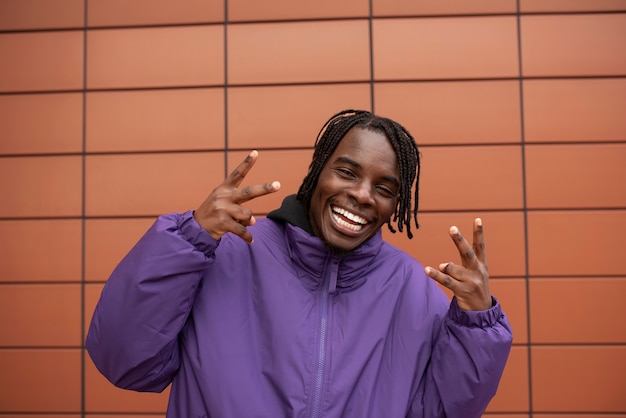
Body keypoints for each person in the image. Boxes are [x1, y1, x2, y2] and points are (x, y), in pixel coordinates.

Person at [86, 109, 513, 417]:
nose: (364, 195)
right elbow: (124, 361)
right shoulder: (227, 253)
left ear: (395, 205)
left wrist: (476, 327)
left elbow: (441, 411)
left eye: (384, 187)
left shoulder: (413, 290)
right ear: (316, 175)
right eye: (347, 172)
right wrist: (189, 239)